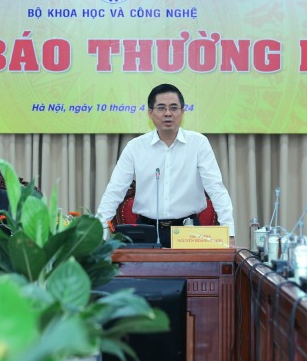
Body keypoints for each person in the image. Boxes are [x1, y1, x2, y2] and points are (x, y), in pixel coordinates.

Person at [96, 83, 235, 247]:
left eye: (174, 108)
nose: (168, 113)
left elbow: (216, 189)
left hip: (188, 232)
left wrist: (230, 233)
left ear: (182, 112)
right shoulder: (135, 147)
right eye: (161, 108)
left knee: (194, 273)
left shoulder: (198, 144)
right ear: (150, 113)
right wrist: (99, 233)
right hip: (146, 230)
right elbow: (115, 190)